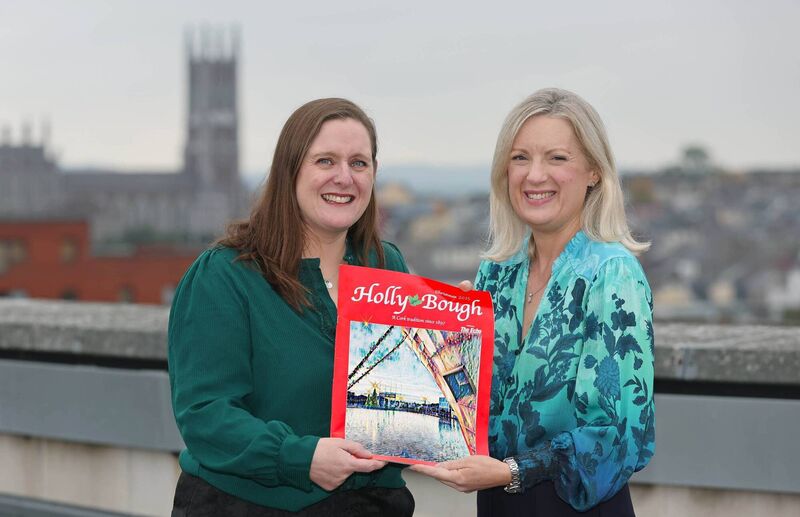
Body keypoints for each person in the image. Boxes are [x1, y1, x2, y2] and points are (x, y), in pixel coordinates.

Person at [411, 88, 655, 516]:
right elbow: (471, 405)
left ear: (594, 172)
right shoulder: (497, 270)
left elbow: (618, 435)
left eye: (556, 158)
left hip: (577, 505)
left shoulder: (611, 274)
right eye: (520, 157)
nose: (534, 175)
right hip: (498, 503)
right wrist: (451, 338)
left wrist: (512, 472)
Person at [168, 98, 414, 516]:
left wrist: (453, 333)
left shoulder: (385, 265)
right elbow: (205, 415)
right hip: (245, 506)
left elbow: (406, 404)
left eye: (359, 163)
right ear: (290, 171)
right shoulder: (226, 274)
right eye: (325, 161)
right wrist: (301, 457)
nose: (344, 178)